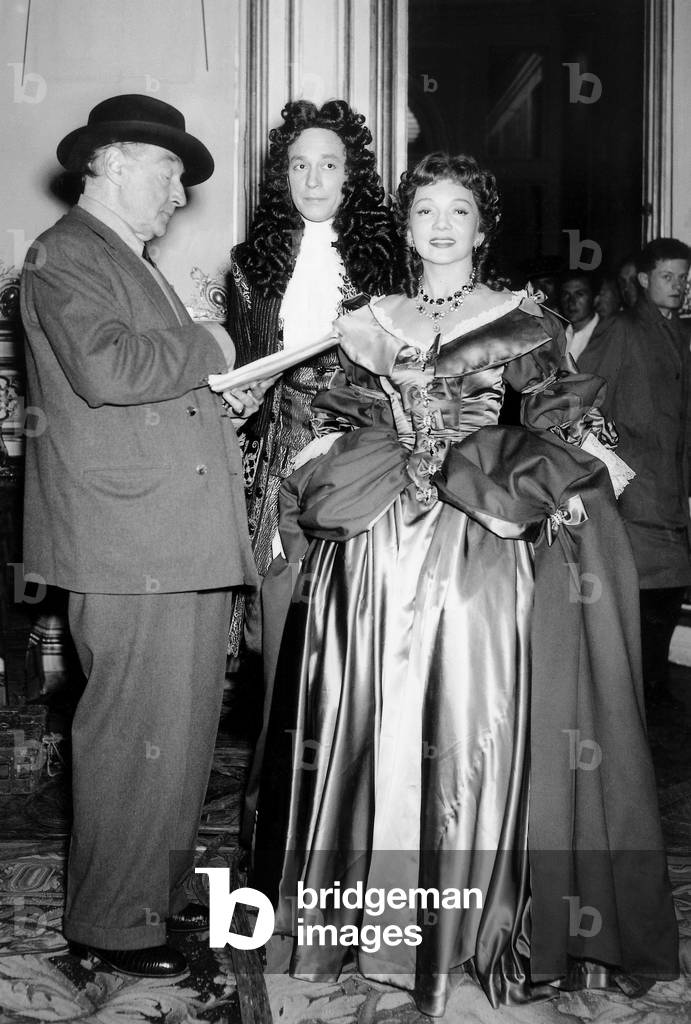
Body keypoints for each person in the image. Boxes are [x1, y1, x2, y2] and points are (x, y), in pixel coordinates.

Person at [254, 154, 677, 1014]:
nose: (440, 224)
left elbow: (559, 410)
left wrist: (583, 465)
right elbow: (336, 409)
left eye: (457, 211)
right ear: (405, 228)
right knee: (366, 714)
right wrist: (315, 443)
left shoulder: (524, 319)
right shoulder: (364, 319)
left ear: (482, 229)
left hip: (475, 539)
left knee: (466, 713)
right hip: (372, 546)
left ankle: (468, 929)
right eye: (424, 211)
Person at [20, 94, 268, 978]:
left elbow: (151, 395)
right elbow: (109, 369)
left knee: (178, 738)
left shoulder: (125, 256)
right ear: (114, 162)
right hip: (134, 543)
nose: (177, 195)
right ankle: (112, 927)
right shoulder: (67, 255)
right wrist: (209, 344)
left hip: (172, 535)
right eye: (169, 174)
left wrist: (221, 401)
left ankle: (144, 907)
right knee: (137, 739)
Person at [228, 99, 406, 846]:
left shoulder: (388, 266)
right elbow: (241, 372)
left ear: (353, 176)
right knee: (280, 651)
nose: (312, 178)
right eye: (298, 164)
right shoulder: (251, 264)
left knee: (357, 648)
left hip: (361, 468)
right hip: (277, 472)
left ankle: (354, 831)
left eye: (328, 164)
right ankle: (273, 838)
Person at [580, 237, 691, 712]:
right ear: (644, 280)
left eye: (684, 278)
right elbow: (584, 390)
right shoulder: (623, 329)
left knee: (669, 590)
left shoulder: (681, 334)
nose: (679, 287)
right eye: (668, 277)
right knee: (645, 592)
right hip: (635, 484)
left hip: (671, 483)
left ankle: (652, 692)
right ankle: (639, 699)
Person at [559, 269, 600, 362]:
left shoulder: (606, 334)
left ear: (595, 299)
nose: (571, 302)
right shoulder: (559, 335)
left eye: (579, 294)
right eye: (566, 294)